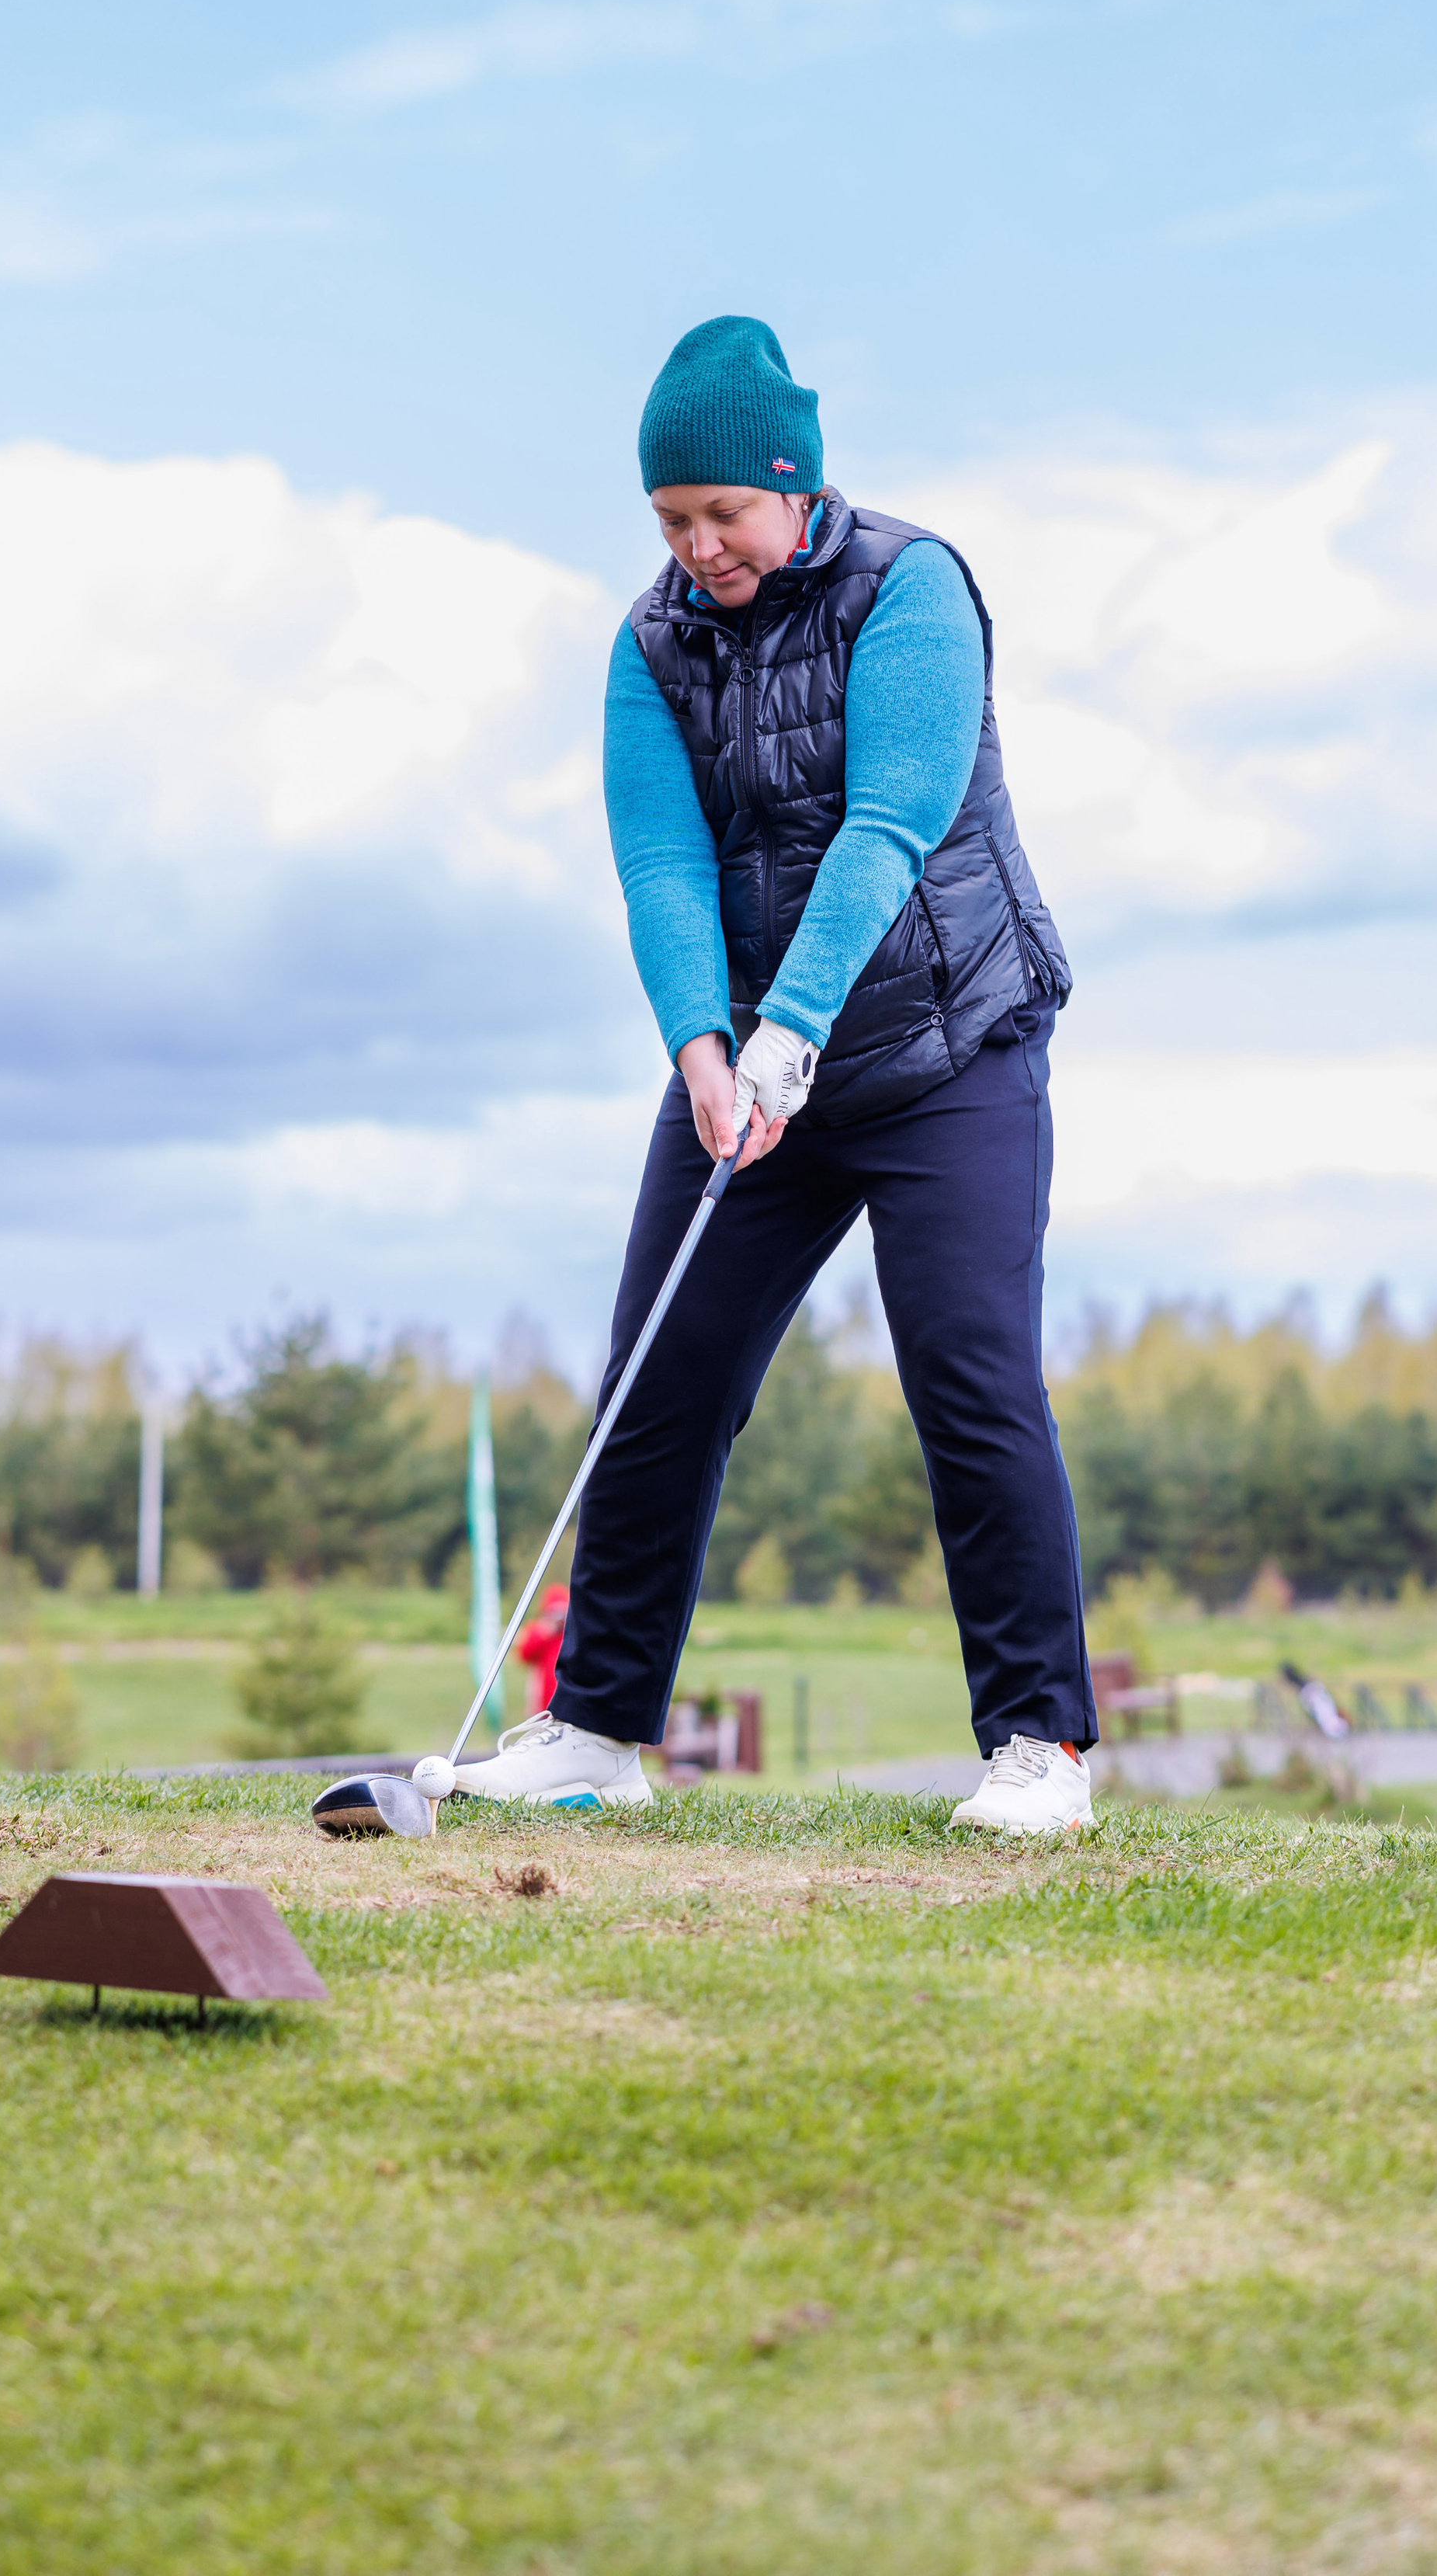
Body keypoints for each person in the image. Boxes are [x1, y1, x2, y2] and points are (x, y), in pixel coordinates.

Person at [453, 315, 1089, 1833]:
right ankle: (595, 1732)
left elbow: (890, 823)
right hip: (751, 1070)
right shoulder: (649, 643)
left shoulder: (909, 587)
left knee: (966, 1375)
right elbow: (661, 863)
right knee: (660, 1384)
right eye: (672, 521)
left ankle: (1039, 1751)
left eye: (722, 514)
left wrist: (790, 1024)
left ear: (794, 486)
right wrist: (701, 1048)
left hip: (948, 1045)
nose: (699, 547)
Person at [513, 1582, 570, 1718]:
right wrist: (544, 1633)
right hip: (541, 1703)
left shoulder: (571, 1635)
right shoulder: (539, 1630)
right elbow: (524, 1655)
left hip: (567, 1701)